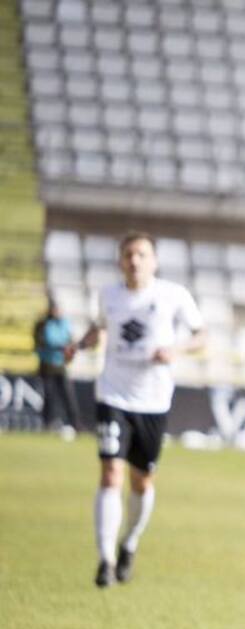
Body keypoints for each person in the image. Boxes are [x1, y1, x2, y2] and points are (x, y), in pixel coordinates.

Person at [65, 232, 206, 588]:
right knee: (111, 472)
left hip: (154, 400)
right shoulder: (109, 295)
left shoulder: (173, 295)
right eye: (129, 254)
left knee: (141, 481)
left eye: (142, 254)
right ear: (120, 261)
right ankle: (105, 559)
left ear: (154, 261)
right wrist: (79, 346)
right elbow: (99, 329)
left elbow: (201, 335)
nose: (135, 260)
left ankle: (129, 542)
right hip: (112, 395)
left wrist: (175, 350)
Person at [33, 294, 81, 434]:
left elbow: (70, 340)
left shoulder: (65, 323)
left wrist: (68, 349)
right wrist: (62, 346)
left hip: (61, 365)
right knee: (49, 396)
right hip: (47, 365)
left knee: (68, 396)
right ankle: (46, 424)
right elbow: (46, 341)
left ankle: (76, 424)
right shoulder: (43, 324)